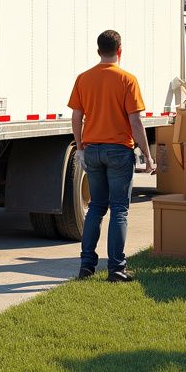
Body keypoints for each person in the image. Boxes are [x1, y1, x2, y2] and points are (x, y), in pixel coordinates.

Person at [68, 29, 155, 282]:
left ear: (98, 51)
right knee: (119, 209)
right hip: (119, 151)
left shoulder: (83, 79)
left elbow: (76, 118)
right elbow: (136, 121)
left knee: (95, 206)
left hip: (92, 150)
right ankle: (116, 269)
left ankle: (86, 266)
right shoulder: (127, 80)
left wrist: (80, 147)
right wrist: (148, 156)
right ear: (120, 50)